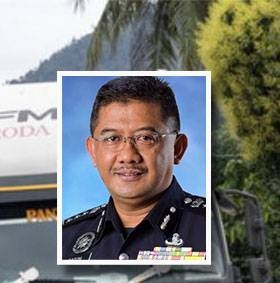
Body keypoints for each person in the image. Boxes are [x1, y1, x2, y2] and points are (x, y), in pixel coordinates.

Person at [62, 76, 207, 261]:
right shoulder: (66, 239)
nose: (128, 156)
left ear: (177, 149)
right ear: (92, 151)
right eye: (112, 138)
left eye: (145, 138)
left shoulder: (210, 227)